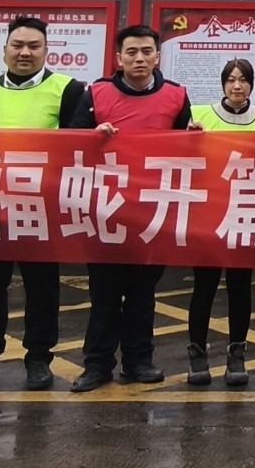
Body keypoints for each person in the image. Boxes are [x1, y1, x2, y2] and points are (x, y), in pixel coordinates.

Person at [0, 17, 84, 392]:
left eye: (33, 46)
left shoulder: (68, 89)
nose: (25, 53)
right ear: (4, 49)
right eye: (17, 45)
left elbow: (79, 147)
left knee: (42, 289)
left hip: (42, 207)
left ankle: (38, 359)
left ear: (46, 50)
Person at [68, 25, 193, 393]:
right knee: (103, 294)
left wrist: (194, 137)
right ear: (118, 58)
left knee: (142, 293)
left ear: (157, 56)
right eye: (132, 52)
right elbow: (69, 142)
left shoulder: (175, 95)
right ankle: (97, 364)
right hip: (105, 209)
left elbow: (186, 152)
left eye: (147, 52)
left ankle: (139, 360)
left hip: (152, 211)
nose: (140, 58)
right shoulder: (96, 93)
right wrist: (94, 137)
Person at [185, 58, 255, 387]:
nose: (237, 86)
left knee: (240, 287)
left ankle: (237, 353)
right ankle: (197, 354)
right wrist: (188, 136)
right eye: (231, 79)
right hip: (207, 215)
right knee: (203, 287)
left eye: (244, 80)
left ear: (252, 84)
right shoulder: (199, 116)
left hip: (245, 212)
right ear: (222, 84)